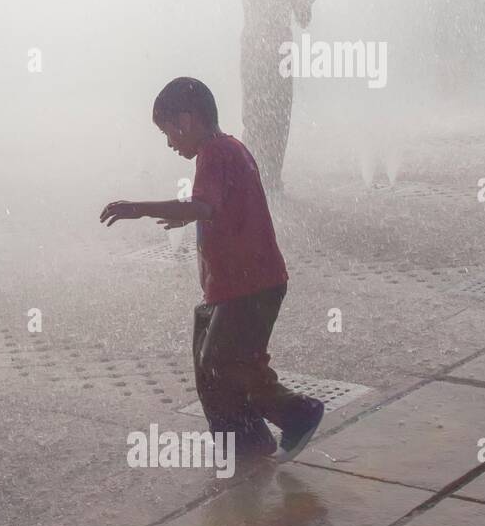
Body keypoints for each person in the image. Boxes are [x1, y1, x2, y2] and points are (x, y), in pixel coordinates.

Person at [101, 77, 325, 461]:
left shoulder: (216, 152)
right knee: (213, 364)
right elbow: (217, 207)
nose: (170, 143)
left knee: (223, 362)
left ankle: (297, 413)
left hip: (250, 286)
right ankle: (244, 441)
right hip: (237, 287)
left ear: (186, 120)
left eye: (168, 132)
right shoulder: (227, 150)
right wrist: (188, 217)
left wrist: (138, 207)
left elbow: (202, 206)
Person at [241, 0, 316, 196]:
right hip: (258, 57)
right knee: (257, 117)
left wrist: (307, 0)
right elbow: (256, 11)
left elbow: (303, 19)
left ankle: (271, 178)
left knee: (278, 118)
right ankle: (252, 176)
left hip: (276, 56)